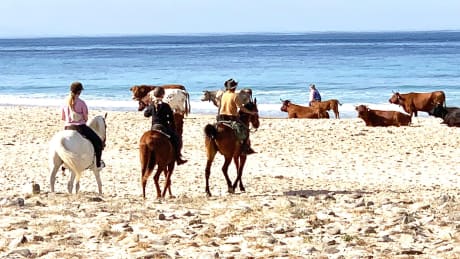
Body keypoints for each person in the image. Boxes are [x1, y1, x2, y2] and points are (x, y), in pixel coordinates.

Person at [61, 81, 105, 170]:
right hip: (80, 127)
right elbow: (85, 119)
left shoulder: (64, 102)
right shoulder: (81, 103)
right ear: (80, 92)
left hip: (67, 127)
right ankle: (98, 163)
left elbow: (63, 118)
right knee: (98, 142)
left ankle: (63, 163)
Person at [144, 87, 187, 165]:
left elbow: (146, 114)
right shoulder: (166, 106)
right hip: (163, 127)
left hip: (154, 127)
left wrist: (149, 107)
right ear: (163, 95)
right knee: (176, 139)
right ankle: (178, 158)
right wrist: (173, 127)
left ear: (154, 95)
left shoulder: (152, 105)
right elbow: (171, 119)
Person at [217, 78, 257, 155]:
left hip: (221, 117)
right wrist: (251, 112)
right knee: (245, 131)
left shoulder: (224, 95)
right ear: (234, 87)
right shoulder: (235, 96)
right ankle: (245, 148)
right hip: (231, 118)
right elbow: (241, 108)